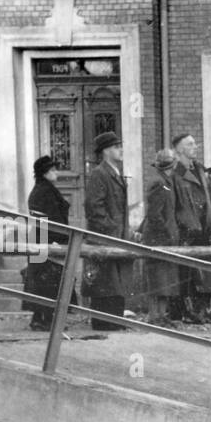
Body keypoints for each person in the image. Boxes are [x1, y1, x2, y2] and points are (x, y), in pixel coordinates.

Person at [170, 133, 211, 322]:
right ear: (180, 150)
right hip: (187, 229)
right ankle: (188, 311)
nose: (195, 146)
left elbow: (210, 195)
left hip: (205, 227)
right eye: (190, 144)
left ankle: (202, 310)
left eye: (195, 143)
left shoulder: (200, 169)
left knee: (205, 271)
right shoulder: (175, 173)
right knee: (187, 272)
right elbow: (172, 203)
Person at [82, 131, 132, 331]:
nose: (120, 150)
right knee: (105, 284)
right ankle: (105, 324)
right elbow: (94, 208)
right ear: (105, 151)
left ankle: (114, 322)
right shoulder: (99, 174)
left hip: (115, 238)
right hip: (104, 239)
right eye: (115, 147)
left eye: (119, 146)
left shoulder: (114, 172)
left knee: (114, 283)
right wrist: (111, 228)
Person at [24, 155, 76, 331]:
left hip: (41, 239)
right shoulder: (45, 191)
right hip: (47, 240)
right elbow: (53, 219)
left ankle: (40, 318)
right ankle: (45, 319)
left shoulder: (42, 189)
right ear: (45, 173)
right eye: (53, 170)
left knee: (42, 281)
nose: (57, 173)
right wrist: (63, 238)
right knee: (48, 282)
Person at [142, 148, 181, 324]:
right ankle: (154, 316)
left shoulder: (166, 181)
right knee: (157, 278)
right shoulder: (159, 183)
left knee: (166, 278)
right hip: (159, 238)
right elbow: (154, 214)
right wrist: (166, 233)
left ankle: (162, 315)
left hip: (166, 238)